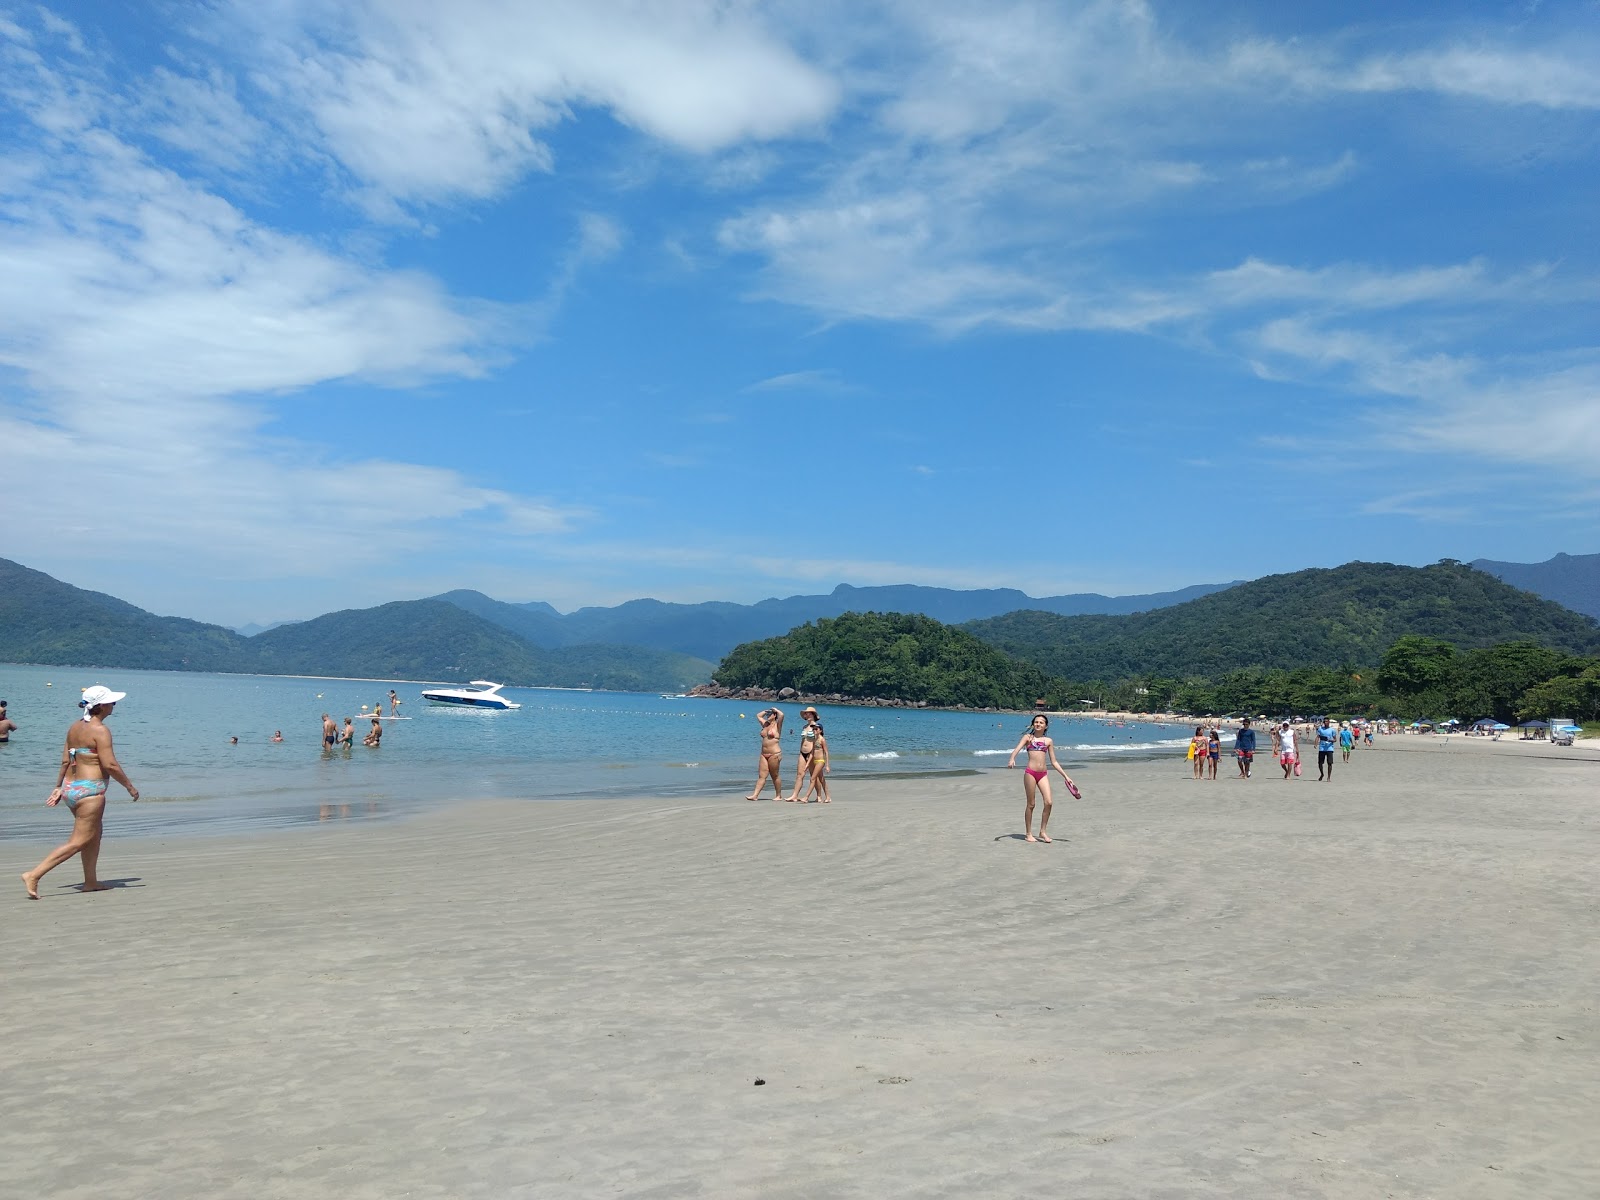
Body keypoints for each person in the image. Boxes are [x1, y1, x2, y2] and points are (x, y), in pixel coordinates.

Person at [22, 685, 139, 899]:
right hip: (90, 791)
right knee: (79, 840)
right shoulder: (100, 730)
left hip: (70, 788)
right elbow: (110, 764)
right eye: (111, 702)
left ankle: (91, 882)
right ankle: (34, 874)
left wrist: (58, 787)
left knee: (93, 834)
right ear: (101, 706)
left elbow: (66, 760)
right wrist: (129, 787)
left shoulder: (74, 727)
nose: (114, 705)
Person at [1007, 714, 1078, 843]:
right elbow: (1016, 750)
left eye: (1041, 722)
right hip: (1030, 773)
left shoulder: (1048, 741)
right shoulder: (1028, 738)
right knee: (1031, 804)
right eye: (1036, 722)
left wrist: (1066, 776)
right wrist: (1012, 759)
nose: (1038, 724)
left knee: (1049, 802)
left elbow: (1054, 762)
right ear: (1033, 724)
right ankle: (1028, 833)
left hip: (1043, 774)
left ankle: (1042, 831)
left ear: (1045, 726)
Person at [789, 706, 829, 803]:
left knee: (814, 776)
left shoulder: (817, 727)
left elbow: (819, 740)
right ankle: (794, 795)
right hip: (803, 752)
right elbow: (803, 740)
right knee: (799, 774)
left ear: (814, 715)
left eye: (810, 713)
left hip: (812, 754)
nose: (807, 715)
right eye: (806, 714)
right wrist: (800, 751)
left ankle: (819, 795)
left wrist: (826, 763)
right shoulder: (804, 727)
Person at [744, 707, 785, 800]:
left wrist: (775, 710)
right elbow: (758, 715)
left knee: (775, 775)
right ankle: (755, 795)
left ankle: (778, 795)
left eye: (770, 714)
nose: (767, 716)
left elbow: (782, 715)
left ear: (774, 716)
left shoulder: (778, 726)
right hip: (763, 754)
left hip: (774, 753)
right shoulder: (765, 724)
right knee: (762, 776)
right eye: (767, 715)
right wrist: (766, 711)